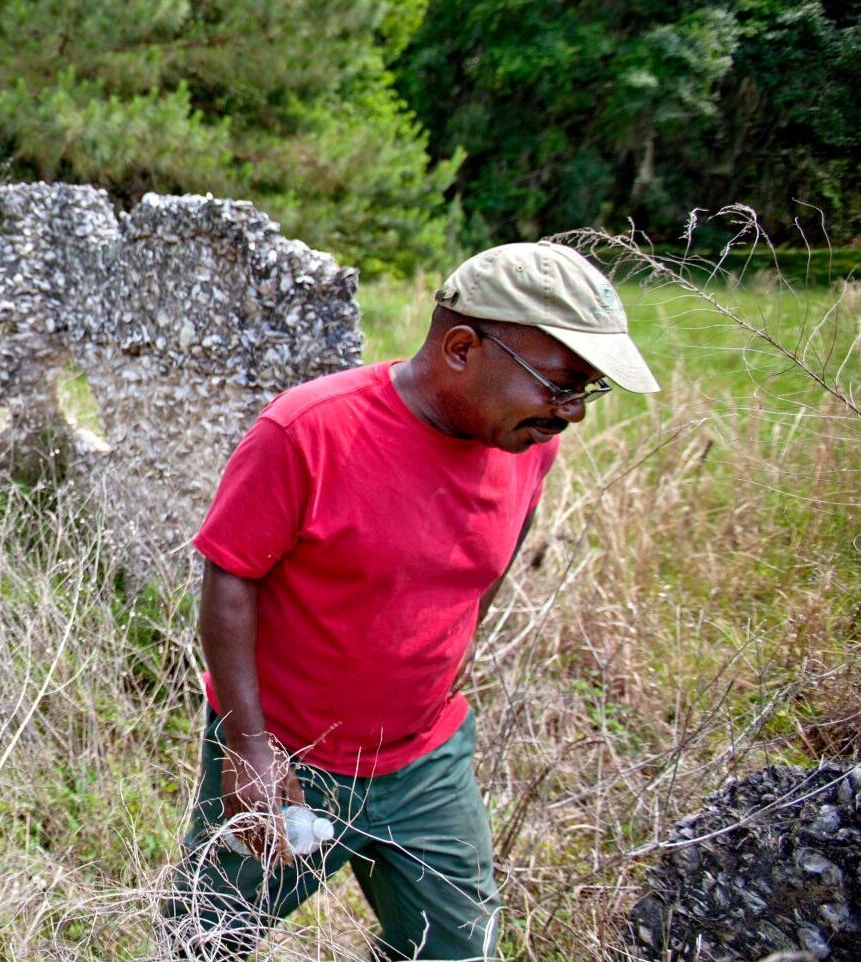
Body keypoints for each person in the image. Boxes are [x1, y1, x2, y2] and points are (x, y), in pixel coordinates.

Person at [161, 242, 660, 961]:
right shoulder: (308, 432)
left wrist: (442, 663)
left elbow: (494, 555)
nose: (573, 411)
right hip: (289, 757)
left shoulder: (525, 443)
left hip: (424, 760)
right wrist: (247, 746)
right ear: (461, 349)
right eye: (559, 384)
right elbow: (230, 575)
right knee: (204, 942)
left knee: (454, 948)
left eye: (588, 389)